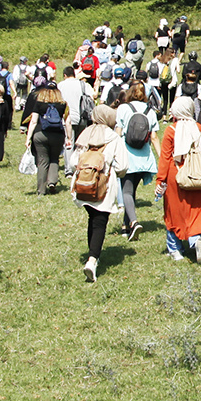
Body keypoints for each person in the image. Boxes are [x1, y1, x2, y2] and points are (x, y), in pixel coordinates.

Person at [156, 96, 201, 263]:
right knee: (197, 211)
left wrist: (160, 180)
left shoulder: (171, 131)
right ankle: (196, 239)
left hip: (175, 176)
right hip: (197, 176)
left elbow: (165, 158)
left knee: (174, 213)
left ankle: (175, 249)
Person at [70, 103, 124, 281]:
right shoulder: (113, 138)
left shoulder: (86, 134)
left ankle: (92, 255)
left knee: (92, 218)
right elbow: (123, 166)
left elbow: (72, 162)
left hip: (82, 184)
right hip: (103, 185)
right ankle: (92, 260)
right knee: (100, 221)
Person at [108, 80, 156, 242]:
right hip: (144, 157)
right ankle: (125, 225)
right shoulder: (150, 110)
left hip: (126, 155)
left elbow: (118, 131)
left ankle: (134, 222)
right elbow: (154, 137)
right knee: (131, 190)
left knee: (126, 191)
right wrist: (163, 156)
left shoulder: (123, 108)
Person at [23, 80, 69, 195]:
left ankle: (41, 190)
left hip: (40, 134)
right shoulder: (62, 104)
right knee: (54, 158)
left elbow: (33, 121)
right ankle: (52, 182)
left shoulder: (39, 103)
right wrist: (69, 137)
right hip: (58, 134)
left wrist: (28, 138)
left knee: (42, 161)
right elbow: (68, 121)